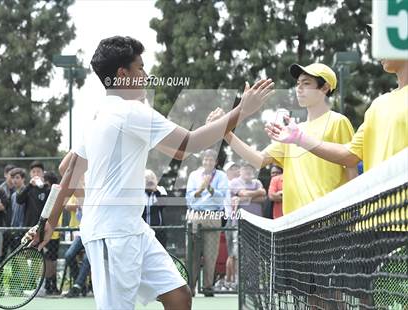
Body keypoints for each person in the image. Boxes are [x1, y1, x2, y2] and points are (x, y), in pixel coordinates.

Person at [28, 35, 274, 310]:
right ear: (123, 75)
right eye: (140, 68)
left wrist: (48, 221)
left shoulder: (101, 115)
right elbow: (190, 143)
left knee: (179, 296)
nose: (146, 75)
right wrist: (243, 110)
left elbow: (68, 169)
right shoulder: (131, 111)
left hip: (132, 229)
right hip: (113, 234)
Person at [266, 58, 408, 307]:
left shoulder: (338, 121)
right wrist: (300, 139)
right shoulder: (378, 105)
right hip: (374, 222)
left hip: (401, 219)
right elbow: (349, 154)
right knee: (360, 296)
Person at [207, 63, 357, 215]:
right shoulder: (292, 131)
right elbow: (258, 160)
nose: (299, 88)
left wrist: (353, 214)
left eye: (306, 83)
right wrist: (225, 131)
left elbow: (351, 165)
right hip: (294, 222)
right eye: (298, 83)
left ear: (324, 88)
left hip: (330, 217)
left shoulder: (338, 121)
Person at [186, 149, 230, 296]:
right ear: (202, 160)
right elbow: (189, 198)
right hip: (195, 216)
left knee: (211, 255)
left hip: (213, 217)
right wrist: (200, 189)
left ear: (216, 162)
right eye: (206, 159)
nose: (208, 162)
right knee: (193, 254)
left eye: (211, 160)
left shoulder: (222, 176)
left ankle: (208, 287)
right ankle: (190, 287)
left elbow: (221, 198)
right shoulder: (193, 175)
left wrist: (209, 188)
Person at [223, 162, 240, 291]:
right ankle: (231, 282)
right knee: (233, 254)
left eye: (236, 168)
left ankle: (230, 281)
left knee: (233, 254)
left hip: (236, 221)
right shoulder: (229, 185)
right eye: (232, 169)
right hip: (232, 221)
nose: (236, 171)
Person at [16, 161, 50, 227]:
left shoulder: (47, 189)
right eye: (33, 172)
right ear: (30, 174)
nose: (36, 174)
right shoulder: (28, 188)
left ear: (43, 173)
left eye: (38, 171)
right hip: (29, 226)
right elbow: (19, 200)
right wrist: (29, 185)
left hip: (43, 226)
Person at [142, 169, 167, 248]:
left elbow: (163, 204)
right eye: (147, 178)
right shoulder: (139, 192)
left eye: (152, 178)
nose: (150, 180)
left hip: (158, 230)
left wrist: (155, 191)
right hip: (143, 230)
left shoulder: (161, 190)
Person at [9, 168, 26, 250]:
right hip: (14, 231)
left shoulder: (28, 193)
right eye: (12, 178)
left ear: (23, 179)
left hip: (24, 231)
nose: (14, 180)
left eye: (17, 177)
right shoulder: (13, 195)